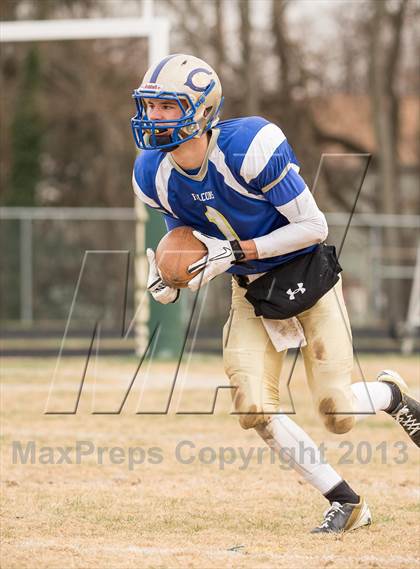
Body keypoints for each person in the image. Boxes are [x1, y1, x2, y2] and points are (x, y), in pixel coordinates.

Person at [130, 54, 420, 533]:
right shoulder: (152, 173)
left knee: (337, 413)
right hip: (252, 290)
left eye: (167, 106)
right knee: (253, 406)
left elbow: (314, 226)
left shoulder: (249, 147)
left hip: (309, 276)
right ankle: (345, 501)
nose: (153, 117)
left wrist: (235, 251)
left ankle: (391, 396)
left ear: (202, 110)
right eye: (150, 105)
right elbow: (186, 241)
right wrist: (172, 279)